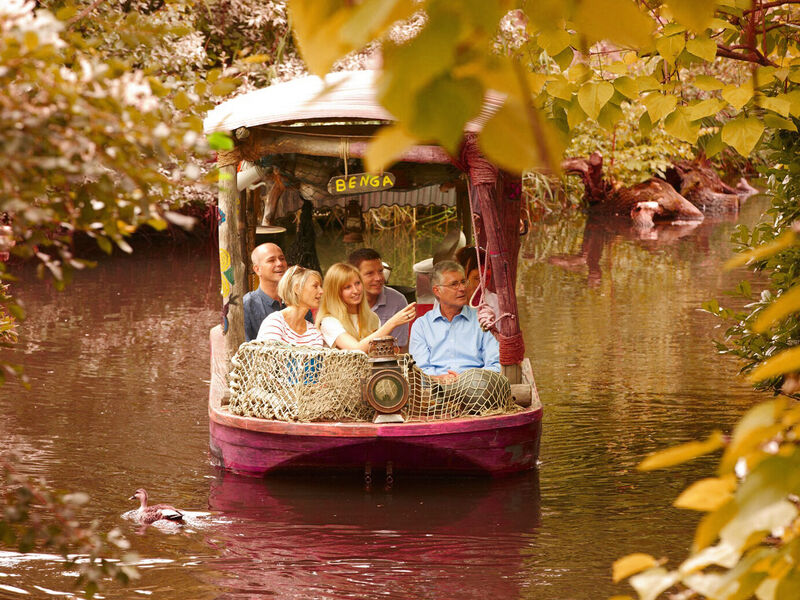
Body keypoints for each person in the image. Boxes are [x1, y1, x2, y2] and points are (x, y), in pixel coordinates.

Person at [409, 260, 500, 380]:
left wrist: (467, 379)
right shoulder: (421, 326)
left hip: (475, 387)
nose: (462, 288)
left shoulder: (481, 320)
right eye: (454, 284)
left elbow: (495, 365)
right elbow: (419, 370)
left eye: (463, 282)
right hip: (436, 390)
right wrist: (440, 379)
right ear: (437, 291)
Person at [317, 262, 416, 352]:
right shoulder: (328, 322)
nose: (356, 290)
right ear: (335, 292)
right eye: (347, 287)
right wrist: (392, 323)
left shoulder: (372, 317)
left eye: (357, 283)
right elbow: (356, 350)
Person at [348, 248, 410, 350]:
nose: (378, 278)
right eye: (370, 273)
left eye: (380, 271)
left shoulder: (398, 301)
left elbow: (397, 350)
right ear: (354, 276)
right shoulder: (342, 302)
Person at [256, 265, 324, 347]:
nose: (321, 291)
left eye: (320, 286)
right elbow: (269, 358)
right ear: (297, 289)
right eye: (315, 286)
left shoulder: (314, 333)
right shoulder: (275, 322)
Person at [243, 243, 288, 342]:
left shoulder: (297, 300)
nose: (279, 263)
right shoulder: (247, 304)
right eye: (271, 260)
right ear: (257, 269)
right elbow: (244, 349)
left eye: (282, 258)